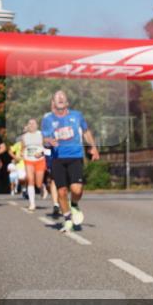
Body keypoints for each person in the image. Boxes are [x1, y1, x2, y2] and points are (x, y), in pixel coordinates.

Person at [42, 90, 100, 233]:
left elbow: (86, 132)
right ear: (53, 103)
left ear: (67, 102)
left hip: (75, 157)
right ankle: (68, 220)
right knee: (61, 191)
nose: (60, 98)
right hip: (57, 159)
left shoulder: (77, 115)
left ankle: (74, 204)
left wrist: (93, 147)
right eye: (57, 97)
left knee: (77, 189)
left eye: (63, 96)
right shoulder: (48, 119)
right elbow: (44, 139)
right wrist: (49, 141)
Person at [21, 118, 47, 211]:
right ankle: (32, 204)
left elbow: (48, 149)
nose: (31, 125)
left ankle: (42, 187)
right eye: (29, 123)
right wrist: (22, 153)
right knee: (30, 179)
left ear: (37, 125)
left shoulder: (41, 135)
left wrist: (41, 153)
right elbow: (23, 147)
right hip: (28, 160)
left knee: (38, 184)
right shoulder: (24, 136)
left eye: (33, 123)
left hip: (40, 160)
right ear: (27, 126)